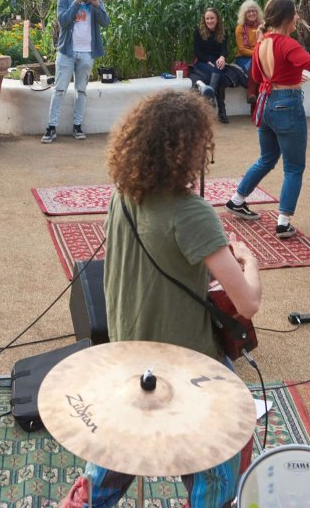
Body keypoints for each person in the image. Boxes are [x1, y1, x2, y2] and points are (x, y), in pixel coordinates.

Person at [60, 89, 261, 508]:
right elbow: (247, 305)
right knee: (228, 439)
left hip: (126, 351)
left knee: (123, 439)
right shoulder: (192, 214)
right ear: (191, 151)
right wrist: (249, 260)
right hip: (183, 360)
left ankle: (86, 498)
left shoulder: (123, 194)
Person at [225, 0, 310, 238]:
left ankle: (237, 199)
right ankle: (283, 221)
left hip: (267, 104)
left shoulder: (262, 42)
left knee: (267, 158)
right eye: (295, 14)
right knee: (294, 167)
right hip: (287, 105)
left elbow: (259, 74)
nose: (297, 18)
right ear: (286, 17)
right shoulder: (287, 43)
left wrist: (291, 76)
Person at [42, 0, 110, 143]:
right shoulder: (64, 0)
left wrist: (96, 5)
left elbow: (106, 22)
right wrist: (76, 2)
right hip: (67, 52)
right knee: (59, 90)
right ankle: (51, 127)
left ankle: (77, 125)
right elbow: (63, 21)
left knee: (81, 90)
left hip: (87, 53)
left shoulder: (94, 0)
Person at [192, 7, 231, 124]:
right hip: (202, 62)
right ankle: (221, 110)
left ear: (217, 19)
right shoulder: (198, 31)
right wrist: (207, 61)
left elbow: (224, 49)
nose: (209, 21)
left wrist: (222, 57)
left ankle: (210, 97)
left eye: (212, 18)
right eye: (207, 18)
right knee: (218, 73)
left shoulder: (223, 32)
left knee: (219, 73)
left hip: (217, 62)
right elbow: (197, 51)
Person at [234, 0, 262, 105]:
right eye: (248, 12)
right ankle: (251, 94)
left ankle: (252, 97)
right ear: (244, 14)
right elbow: (241, 49)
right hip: (243, 58)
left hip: (259, 56)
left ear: (257, 12)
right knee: (257, 65)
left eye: (253, 11)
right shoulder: (240, 28)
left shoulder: (261, 27)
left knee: (260, 68)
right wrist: (257, 54)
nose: (251, 13)